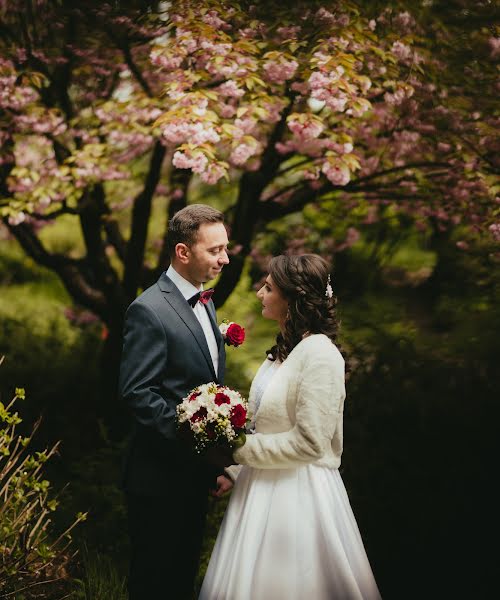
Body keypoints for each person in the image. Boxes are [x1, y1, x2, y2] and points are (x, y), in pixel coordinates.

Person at [199, 254, 382, 600]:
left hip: (298, 495)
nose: (259, 293)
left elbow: (310, 443)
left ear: (291, 299)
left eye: (268, 288)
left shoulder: (321, 356)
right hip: (260, 488)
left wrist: (238, 449)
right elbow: (265, 425)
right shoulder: (285, 351)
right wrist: (236, 470)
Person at [119, 204, 233, 600]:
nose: (225, 258)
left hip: (191, 475)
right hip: (158, 477)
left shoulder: (205, 300)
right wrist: (197, 436)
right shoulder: (149, 310)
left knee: (181, 579)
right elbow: (138, 392)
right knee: (154, 581)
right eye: (215, 250)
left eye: (225, 248)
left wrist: (212, 461)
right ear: (183, 252)